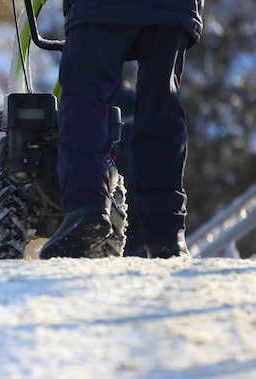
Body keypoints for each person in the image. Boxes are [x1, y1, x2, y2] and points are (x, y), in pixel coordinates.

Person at [39, 0, 204, 259]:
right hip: (174, 8)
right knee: (162, 106)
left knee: (87, 94)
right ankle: (168, 235)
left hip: (102, 8)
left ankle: (87, 207)